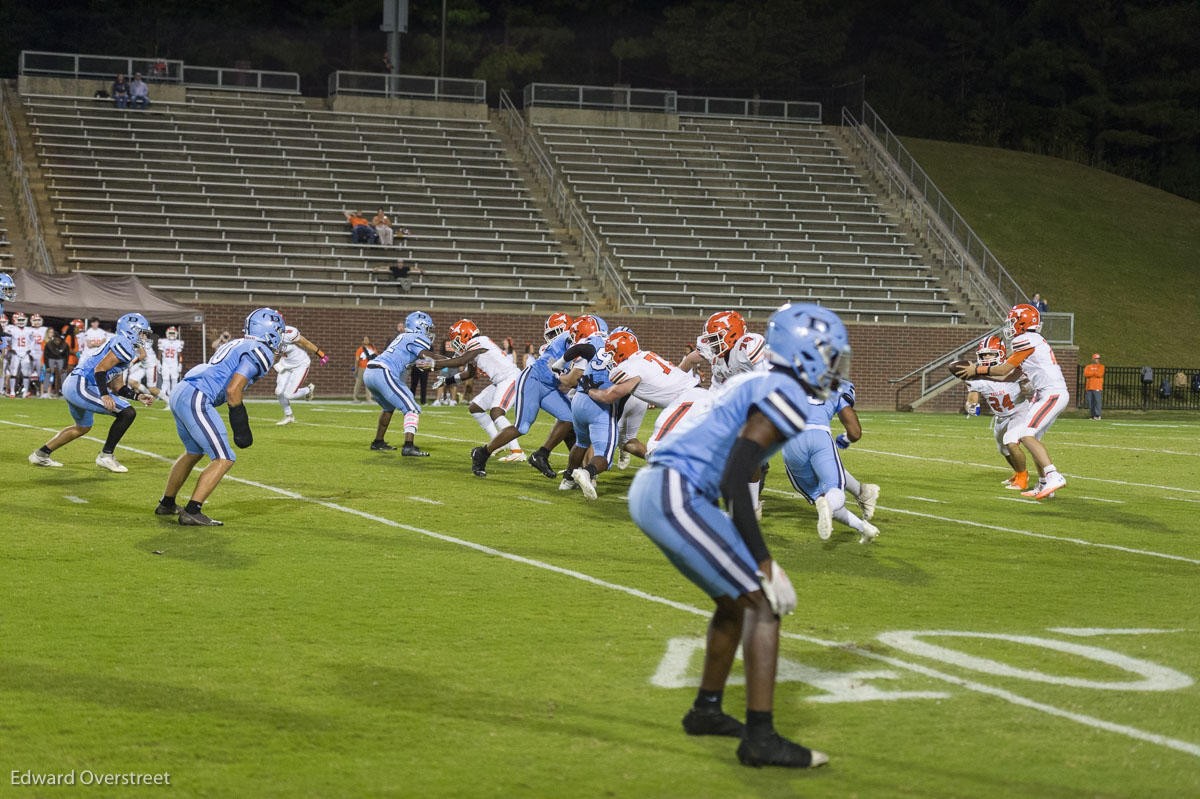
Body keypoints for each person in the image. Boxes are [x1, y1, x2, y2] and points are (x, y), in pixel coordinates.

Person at [627, 302, 849, 769]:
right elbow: (737, 479)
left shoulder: (760, 381)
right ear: (806, 352)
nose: (834, 364)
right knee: (762, 604)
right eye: (829, 353)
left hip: (664, 489)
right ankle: (760, 739)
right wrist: (765, 562)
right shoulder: (783, 393)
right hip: (676, 492)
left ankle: (706, 710)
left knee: (735, 603)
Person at [155, 308, 285, 526]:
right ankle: (192, 511)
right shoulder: (261, 349)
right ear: (269, 331)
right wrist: (241, 427)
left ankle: (167, 503)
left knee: (193, 452)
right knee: (225, 457)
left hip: (182, 391)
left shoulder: (238, 343)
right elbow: (233, 390)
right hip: (197, 395)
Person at [953, 303, 1068, 499]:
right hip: (1045, 393)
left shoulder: (1024, 338)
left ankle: (1053, 475)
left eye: (1013, 321)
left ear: (1023, 322)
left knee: (1025, 435)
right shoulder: (1032, 339)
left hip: (1052, 393)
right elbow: (1010, 376)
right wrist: (980, 377)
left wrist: (977, 370)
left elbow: (1004, 370)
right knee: (1032, 439)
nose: (1010, 326)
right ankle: (1042, 484)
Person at [29, 313, 156, 472]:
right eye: (142, 332)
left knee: (82, 427)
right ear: (130, 331)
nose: (144, 337)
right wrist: (104, 394)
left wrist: (138, 396)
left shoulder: (122, 346)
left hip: (78, 383)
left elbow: (119, 387)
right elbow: (100, 369)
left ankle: (41, 454)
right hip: (82, 384)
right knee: (127, 413)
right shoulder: (124, 343)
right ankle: (106, 456)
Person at [470, 312, 579, 479]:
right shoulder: (565, 339)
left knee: (570, 419)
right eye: (549, 334)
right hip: (532, 382)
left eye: (553, 333)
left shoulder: (573, 341)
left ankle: (544, 456)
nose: (551, 337)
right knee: (522, 427)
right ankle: (482, 453)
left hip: (550, 386)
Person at [363, 312, 476, 455]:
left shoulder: (403, 336)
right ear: (420, 326)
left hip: (370, 372)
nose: (429, 332)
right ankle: (408, 446)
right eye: (428, 328)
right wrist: (458, 361)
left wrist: (444, 363)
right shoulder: (417, 337)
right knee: (412, 408)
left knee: (388, 407)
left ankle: (378, 442)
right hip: (383, 372)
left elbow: (426, 362)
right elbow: (430, 357)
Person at [781, 381, 880, 543]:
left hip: (791, 441)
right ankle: (860, 523)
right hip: (819, 436)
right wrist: (845, 438)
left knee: (818, 496)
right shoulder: (838, 385)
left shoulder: (788, 378)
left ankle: (864, 528)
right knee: (834, 490)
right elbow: (855, 432)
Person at [434, 319, 526, 462]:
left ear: (465, 335)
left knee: (497, 412)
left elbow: (460, 361)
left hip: (510, 378)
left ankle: (517, 450)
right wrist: (447, 380)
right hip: (500, 381)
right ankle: (497, 443)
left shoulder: (478, 341)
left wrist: (435, 364)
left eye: (456, 339)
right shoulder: (472, 349)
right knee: (476, 407)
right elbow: (469, 373)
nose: (455, 343)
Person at [963, 335, 1037, 491]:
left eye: (991, 353)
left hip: (1019, 412)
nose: (987, 357)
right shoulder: (976, 376)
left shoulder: (1011, 369)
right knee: (1003, 449)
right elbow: (972, 396)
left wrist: (1029, 384)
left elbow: (1028, 382)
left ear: (1001, 353)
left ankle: (1023, 479)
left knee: (1010, 442)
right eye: (984, 355)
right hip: (1000, 416)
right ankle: (1018, 473)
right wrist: (971, 405)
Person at [679, 311, 768, 393]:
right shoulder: (717, 355)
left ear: (731, 334)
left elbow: (768, 379)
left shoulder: (748, 345)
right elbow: (691, 359)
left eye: (714, 338)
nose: (711, 343)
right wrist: (674, 377)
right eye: (710, 339)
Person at [274, 325, 325, 425]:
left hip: (300, 364)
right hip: (285, 364)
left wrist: (322, 355)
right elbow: (274, 352)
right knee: (279, 392)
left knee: (289, 395)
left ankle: (308, 390)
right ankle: (289, 416)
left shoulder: (289, 333)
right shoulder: (268, 336)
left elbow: (306, 343)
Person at [4, 312, 34, 397]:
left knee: (26, 373)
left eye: (22, 320)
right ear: (15, 320)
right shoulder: (12, 329)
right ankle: (12, 392)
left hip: (25, 353)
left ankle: (25, 392)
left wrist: (30, 350)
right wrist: (10, 348)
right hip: (15, 352)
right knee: (13, 373)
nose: (21, 321)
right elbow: (7, 340)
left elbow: (33, 341)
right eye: (19, 320)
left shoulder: (29, 330)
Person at [157, 326, 185, 399]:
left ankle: (174, 394)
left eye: (173, 333)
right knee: (165, 379)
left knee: (174, 379)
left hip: (174, 363)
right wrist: (158, 362)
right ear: (167, 333)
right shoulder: (163, 341)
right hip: (165, 363)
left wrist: (180, 364)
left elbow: (180, 355)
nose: (172, 335)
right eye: (170, 333)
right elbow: (160, 353)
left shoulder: (178, 343)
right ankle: (163, 395)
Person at [43, 327, 69, 397]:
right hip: (51, 358)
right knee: (48, 373)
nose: (57, 342)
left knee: (63, 374)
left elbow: (66, 356)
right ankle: (45, 392)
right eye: (55, 340)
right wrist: (47, 366)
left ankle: (64, 392)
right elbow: (45, 355)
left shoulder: (65, 345)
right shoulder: (49, 344)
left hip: (61, 358)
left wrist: (64, 367)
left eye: (58, 340)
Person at [353, 336, 377, 402]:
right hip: (362, 368)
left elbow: (376, 357)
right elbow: (357, 359)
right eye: (365, 340)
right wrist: (356, 369)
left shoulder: (372, 349)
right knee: (358, 382)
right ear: (362, 341)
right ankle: (355, 397)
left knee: (369, 383)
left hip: (369, 368)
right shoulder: (360, 349)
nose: (366, 341)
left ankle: (369, 398)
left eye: (367, 339)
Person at [1083, 353, 1105, 420]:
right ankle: (1092, 415)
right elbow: (1086, 374)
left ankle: (1098, 415)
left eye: (1098, 359)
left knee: (1097, 401)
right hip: (1089, 387)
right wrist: (1094, 372)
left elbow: (1099, 374)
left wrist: (1091, 373)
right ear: (1093, 359)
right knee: (1090, 402)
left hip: (1097, 386)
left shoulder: (1101, 366)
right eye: (1096, 358)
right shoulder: (1088, 366)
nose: (1097, 360)